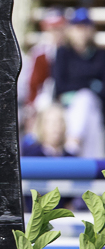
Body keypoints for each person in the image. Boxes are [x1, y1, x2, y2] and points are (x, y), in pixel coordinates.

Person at [51, 8, 105, 156]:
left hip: (94, 105)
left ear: (91, 30)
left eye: (85, 27)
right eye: (77, 27)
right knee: (86, 104)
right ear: (71, 30)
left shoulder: (100, 55)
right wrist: (90, 84)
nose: (81, 32)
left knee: (86, 100)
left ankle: (72, 147)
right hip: (68, 106)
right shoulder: (63, 52)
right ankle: (75, 148)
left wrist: (82, 88)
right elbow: (60, 87)